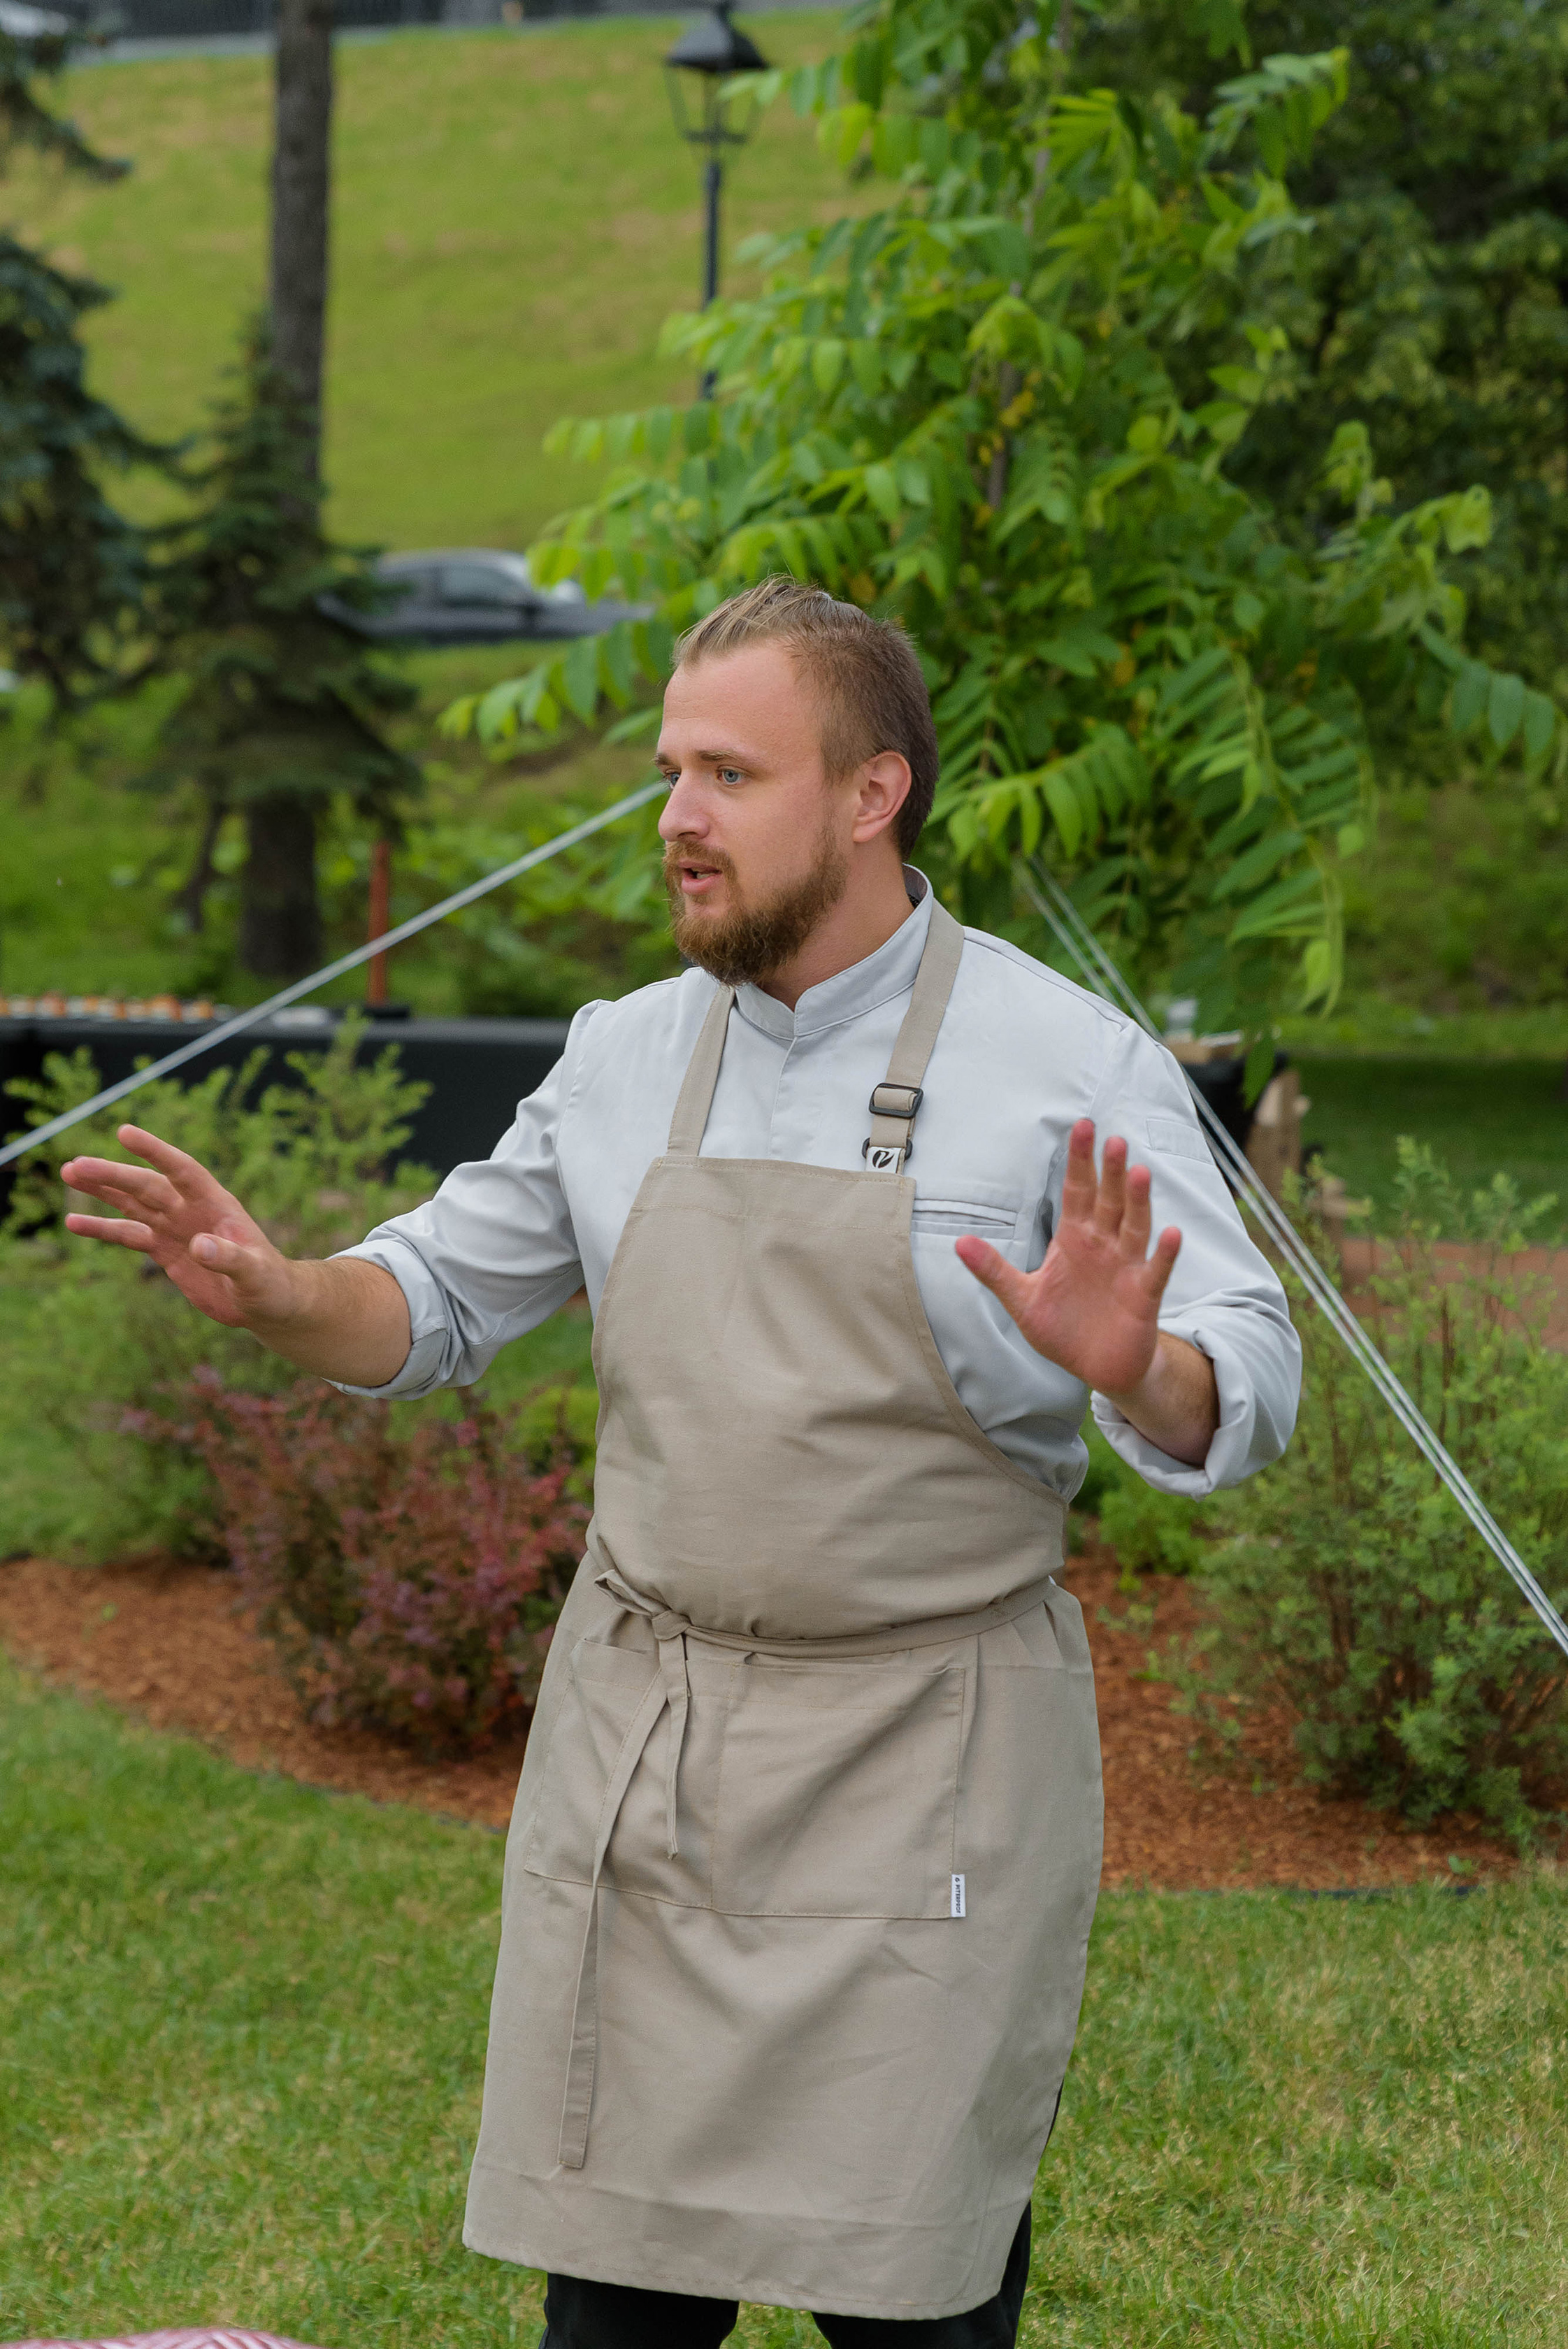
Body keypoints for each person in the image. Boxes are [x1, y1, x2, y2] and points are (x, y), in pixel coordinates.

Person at [62, 578, 1301, 2348]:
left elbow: (1249, 1378)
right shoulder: (624, 1053)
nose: (675, 820)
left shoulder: (1069, 1065)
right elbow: (428, 1303)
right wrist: (279, 1293)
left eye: (729, 774)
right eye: (670, 773)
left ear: (871, 794)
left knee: (918, 2306)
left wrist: (1138, 1365)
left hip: (930, 1762)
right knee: (615, 2317)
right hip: (648, 1752)